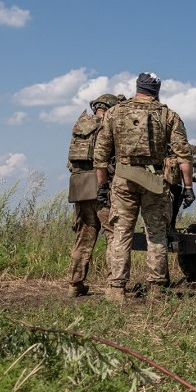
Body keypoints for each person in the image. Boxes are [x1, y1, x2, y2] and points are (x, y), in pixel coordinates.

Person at [93, 73, 195, 299]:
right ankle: (157, 288)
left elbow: (100, 156)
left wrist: (102, 186)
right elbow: (184, 155)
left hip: (123, 180)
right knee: (156, 233)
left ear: (137, 87)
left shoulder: (114, 112)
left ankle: (117, 287)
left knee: (121, 232)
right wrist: (188, 188)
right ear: (156, 90)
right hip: (155, 181)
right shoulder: (168, 115)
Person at [66, 93, 125, 296]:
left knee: (84, 237)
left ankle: (75, 284)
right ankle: (112, 284)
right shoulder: (109, 125)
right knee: (113, 236)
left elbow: (70, 163)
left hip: (80, 187)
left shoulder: (80, 127)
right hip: (102, 188)